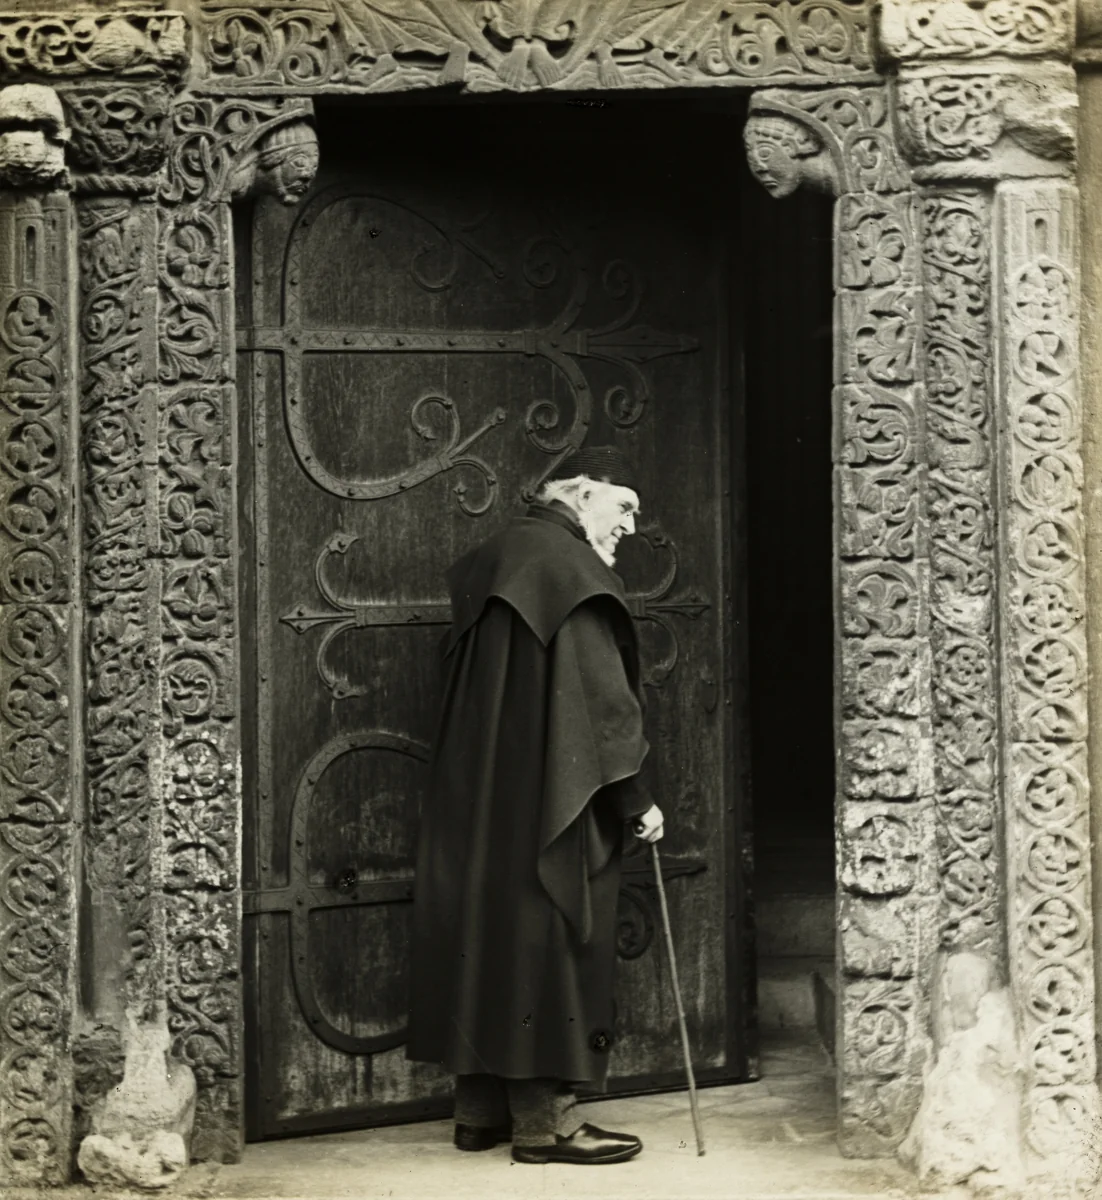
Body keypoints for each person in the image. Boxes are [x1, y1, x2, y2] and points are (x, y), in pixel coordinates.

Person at [407, 444, 664, 1166]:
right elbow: (600, 707)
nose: (633, 527)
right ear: (581, 496)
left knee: (487, 935)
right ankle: (546, 1126)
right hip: (550, 796)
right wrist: (635, 799)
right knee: (549, 939)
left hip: (481, 796)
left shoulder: (498, 556)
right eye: (625, 508)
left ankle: (479, 1113)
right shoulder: (568, 569)